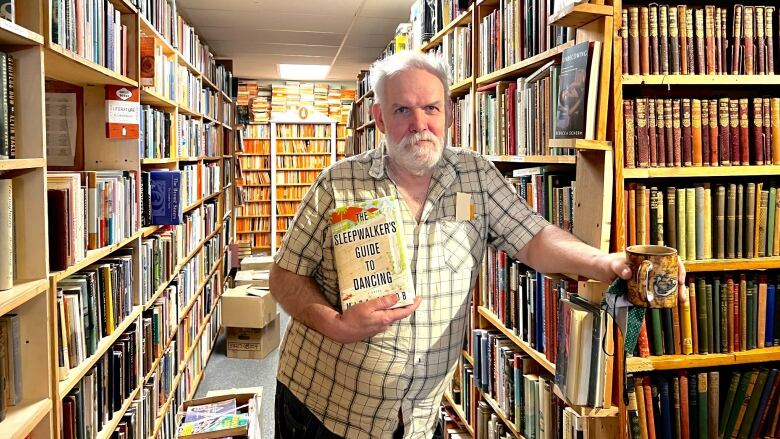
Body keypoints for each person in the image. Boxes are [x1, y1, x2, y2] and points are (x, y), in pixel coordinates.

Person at [269, 50, 685, 439]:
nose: (419, 124)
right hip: (324, 410)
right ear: (378, 118)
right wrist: (336, 325)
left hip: (417, 418)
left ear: (448, 112)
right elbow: (283, 276)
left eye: (431, 108)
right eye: (402, 110)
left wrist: (603, 263)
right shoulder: (338, 184)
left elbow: (535, 237)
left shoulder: (475, 176)